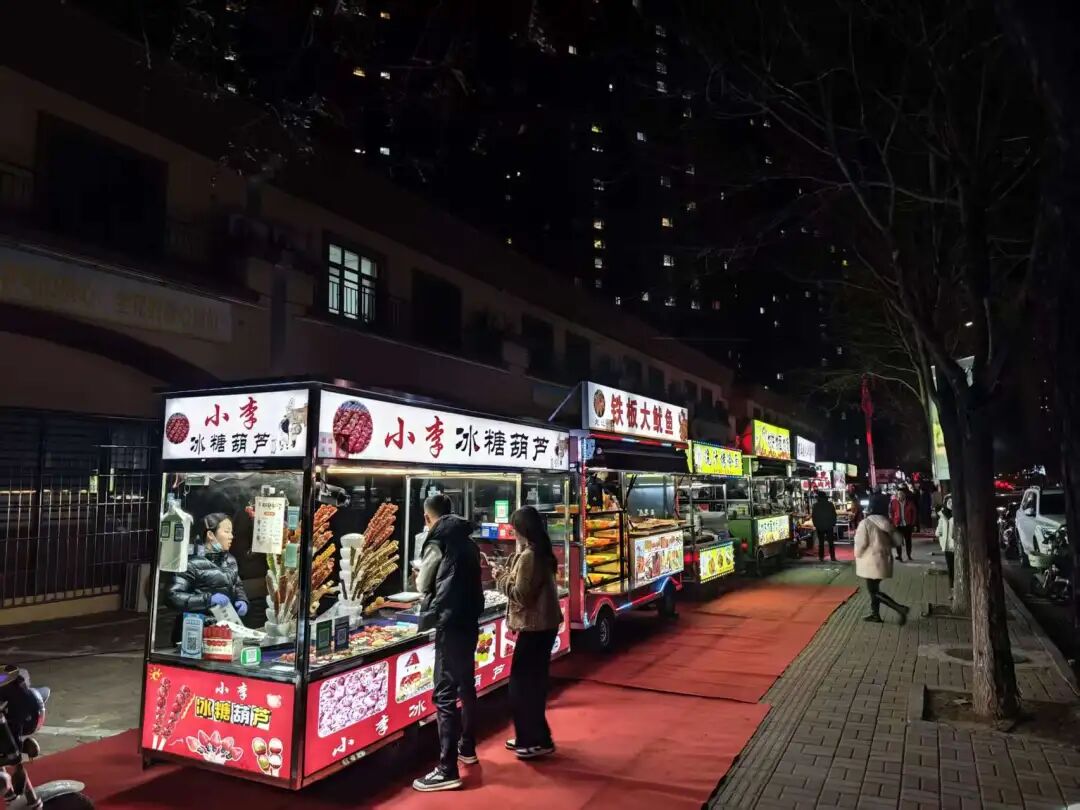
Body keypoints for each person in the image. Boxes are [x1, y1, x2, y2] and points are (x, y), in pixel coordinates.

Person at [413, 494, 484, 793]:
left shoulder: (437, 541)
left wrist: (420, 576)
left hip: (449, 622)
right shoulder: (468, 541)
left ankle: (447, 769)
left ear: (427, 517)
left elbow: (423, 583)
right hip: (469, 621)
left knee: (444, 694)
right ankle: (467, 747)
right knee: (466, 686)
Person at [495, 506, 563, 760]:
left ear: (522, 530)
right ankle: (536, 736)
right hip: (544, 627)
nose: (512, 533)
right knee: (533, 684)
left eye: (514, 529)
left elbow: (521, 595)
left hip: (535, 628)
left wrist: (501, 578)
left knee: (522, 687)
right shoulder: (540, 553)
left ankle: (531, 740)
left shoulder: (530, 557)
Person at [166, 513, 248, 643]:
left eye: (231, 532)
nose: (231, 536)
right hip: (195, 632)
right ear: (210, 535)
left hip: (223, 629)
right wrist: (208, 599)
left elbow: (237, 586)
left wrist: (242, 600)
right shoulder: (190, 562)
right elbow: (172, 596)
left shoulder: (230, 560)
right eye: (227, 531)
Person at [854, 494, 910, 624]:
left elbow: (861, 543)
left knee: (873, 591)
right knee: (874, 589)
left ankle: (900, 608)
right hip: (884, 560)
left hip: (870, 562)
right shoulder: (886, 522)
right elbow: (898, 541)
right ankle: (875, 615)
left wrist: (857, 554)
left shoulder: (866, 523)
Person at [890, 486, 917, 562]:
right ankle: (899, 556)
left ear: (904, 495)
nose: (900, 496)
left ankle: (909, 555)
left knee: (908, 541)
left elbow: (914, 513)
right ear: (897, 495)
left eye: (901, 494)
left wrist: (912, 523)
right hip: (898, 525)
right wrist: (893, 522)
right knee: (898, 541)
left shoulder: (909, 503)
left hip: (907, 525)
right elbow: (891, 512)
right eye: (899, 494)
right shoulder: (893, 502)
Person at [811, 491, 838, 562]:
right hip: (829, 526)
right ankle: (833, 557)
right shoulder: (830, 504)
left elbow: (813, 516)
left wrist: (816, 525)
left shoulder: (815, 505)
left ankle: (821, 557)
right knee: (831, 542)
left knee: (821, 542)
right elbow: (834, 515)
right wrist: (833, 523)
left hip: (820, 526)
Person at [936, 495, 956, 588]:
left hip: (955, 544)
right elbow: (940, 525)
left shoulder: (957, 514)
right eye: (949, 502)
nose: (951, 504)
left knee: (956, 566)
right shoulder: (943, 513)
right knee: (950, 566)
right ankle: (951, 584)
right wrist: (938, 532)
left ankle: (955, 584)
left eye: (952, 502)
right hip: (946, 544)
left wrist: (950, 518)